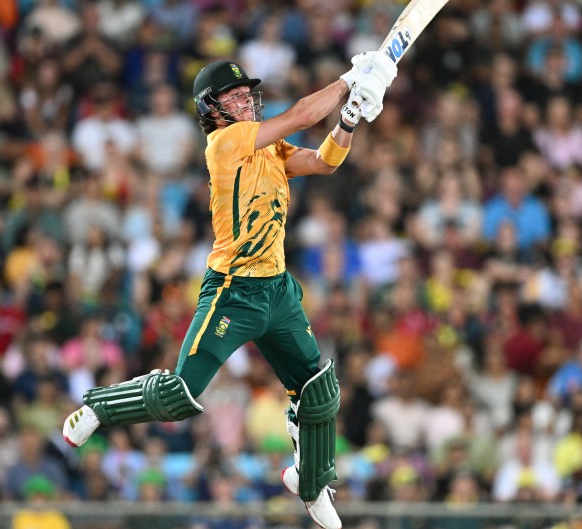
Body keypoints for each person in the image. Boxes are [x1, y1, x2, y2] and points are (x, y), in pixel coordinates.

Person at [63, 54, 397, 529]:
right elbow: (302, 114)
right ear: (211, 110)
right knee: (182, 393)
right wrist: (349, 80)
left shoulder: (269, 148)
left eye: (247, 95)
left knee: (319, 391)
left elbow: (324, 161)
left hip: (277, 290)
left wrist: (349, 116)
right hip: (232, 292)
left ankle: (311, 480)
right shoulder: (225, 142)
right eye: (235, 97)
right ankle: (100, 406)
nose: (246, 101)